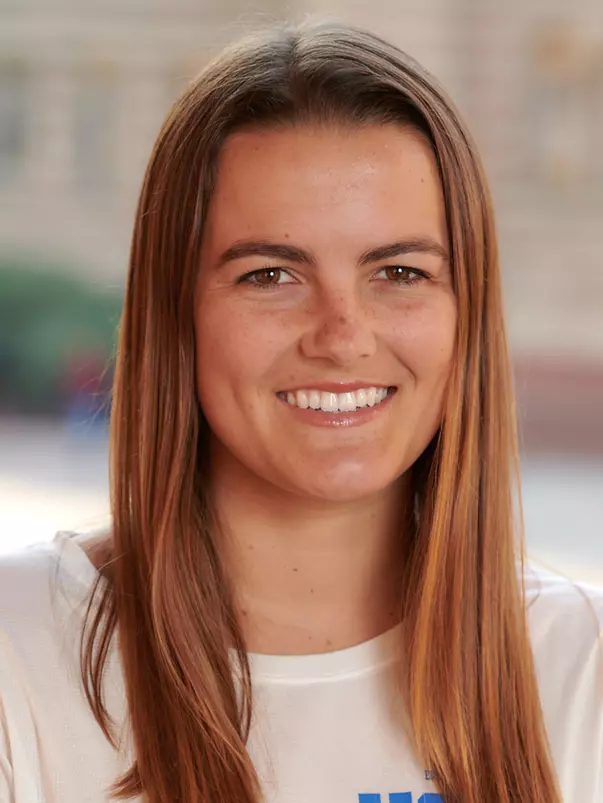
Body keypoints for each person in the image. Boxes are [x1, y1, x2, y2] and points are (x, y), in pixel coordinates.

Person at [0, 20, 601, 803]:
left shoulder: (579, 666)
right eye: (269, 275)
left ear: (467, 308)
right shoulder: (18, 651)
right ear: (175, 309)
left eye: (398, 270)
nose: (342, 336)